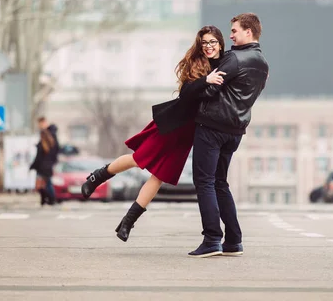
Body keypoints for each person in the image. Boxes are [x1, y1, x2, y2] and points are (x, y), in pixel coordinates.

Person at [80, 25, 226, 242]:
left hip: (188, 134)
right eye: (204, 42)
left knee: (159, 176)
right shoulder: (197, 64)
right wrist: (206, 80)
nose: (208, 47)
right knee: (138, 159)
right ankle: (96, 177)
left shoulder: (226, 64)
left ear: (220, 44)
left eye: (212, 42)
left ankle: (128, 222)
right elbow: (186, 93)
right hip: (172, 124)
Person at [188, 13, 269, 258]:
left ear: (248, 32)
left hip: (212, 127)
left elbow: (210, 91)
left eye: (234, 30)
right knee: (220, 183)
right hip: (235, 131)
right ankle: (233, 241)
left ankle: (212, 238)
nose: (230, 35)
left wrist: (197, 90)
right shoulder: (262, 62)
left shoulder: (234, 58)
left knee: (205, 182)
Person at [30, 117, 59, 205]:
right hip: (46, 166)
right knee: (46, 184)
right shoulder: (48, 136)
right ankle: (48, 200)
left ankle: (50, 200)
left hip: (44, 166)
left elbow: (41, 155)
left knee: (42, 185)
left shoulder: (48, 134)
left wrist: (33, 166)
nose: (40, 126)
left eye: (41, 124)